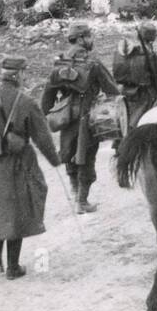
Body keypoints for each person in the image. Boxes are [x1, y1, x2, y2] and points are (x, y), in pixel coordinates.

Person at [0, 56, 61, 279]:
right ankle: (12, 267)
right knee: (19, 210)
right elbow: (43, 137)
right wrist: (55, 160)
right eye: (24, 72)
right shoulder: (27, 102)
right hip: (20, 163)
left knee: (0, 208)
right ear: (18, 75)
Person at [40, 23, 116, 213]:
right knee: (86, 156)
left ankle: (76, 196)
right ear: (81, 39)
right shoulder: (93, 63)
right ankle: (82, 201)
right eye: (89, 36)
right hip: (88, 116)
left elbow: (48, 93)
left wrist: (49, 113)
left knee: (68, 152)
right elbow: (111, 89)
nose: (92, 40)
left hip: (66, 116)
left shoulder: (60, 62)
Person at [112, 22, 157, 133]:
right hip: (145, 95)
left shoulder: (123, 51)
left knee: (125, 120)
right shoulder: (151, 54)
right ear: (152, 37)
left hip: (124, 91)